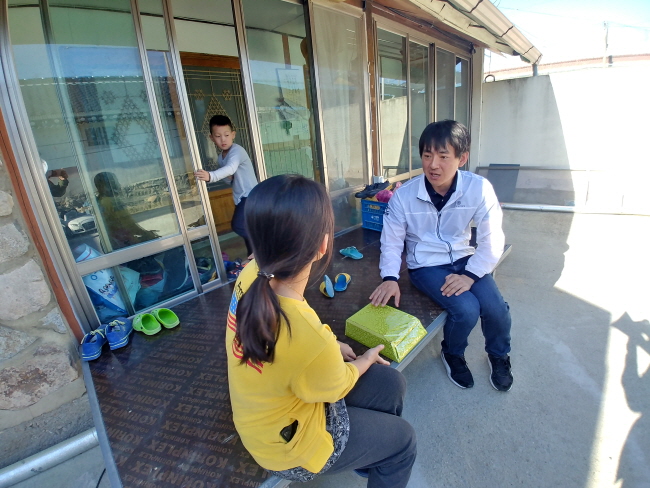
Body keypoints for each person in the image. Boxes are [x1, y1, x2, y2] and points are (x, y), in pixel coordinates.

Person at [226, 175, 416, 488]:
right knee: (404, 441)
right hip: (287, 447)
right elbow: (337, 385)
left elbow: (299, 339)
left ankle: (370, 459)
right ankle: (383, 456)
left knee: (391, 383)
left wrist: (330, 344)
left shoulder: (251, 275)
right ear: (323, 245)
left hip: (266, 412)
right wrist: (365, 359)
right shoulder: (307, 336)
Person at [370, 120, 514, 392]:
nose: (433, 165)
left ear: (462, 158)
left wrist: (470, 275)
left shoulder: (479, 188)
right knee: (466, 309)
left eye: (443, 156)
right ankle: (453, 353)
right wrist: (389, 277)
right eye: (427, 155)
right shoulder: (404, 196)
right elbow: (391, 241)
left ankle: (498, 355)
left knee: (496, 309)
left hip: (465, 258)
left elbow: (492, 239)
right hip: (426, 266)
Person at [194, 115, 257, 256]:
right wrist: (228, 178)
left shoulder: (237, 150)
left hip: (250, 195)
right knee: (248, 232)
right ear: (211, 138)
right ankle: (254, 258)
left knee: (239, 226)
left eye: (226, 135)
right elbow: (229, 179)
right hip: (241, 198)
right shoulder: (221, 157)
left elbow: (230, 168)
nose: (223, 139)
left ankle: (264, 247)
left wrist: (211, 176)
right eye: (218, 136)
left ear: (233, 135)